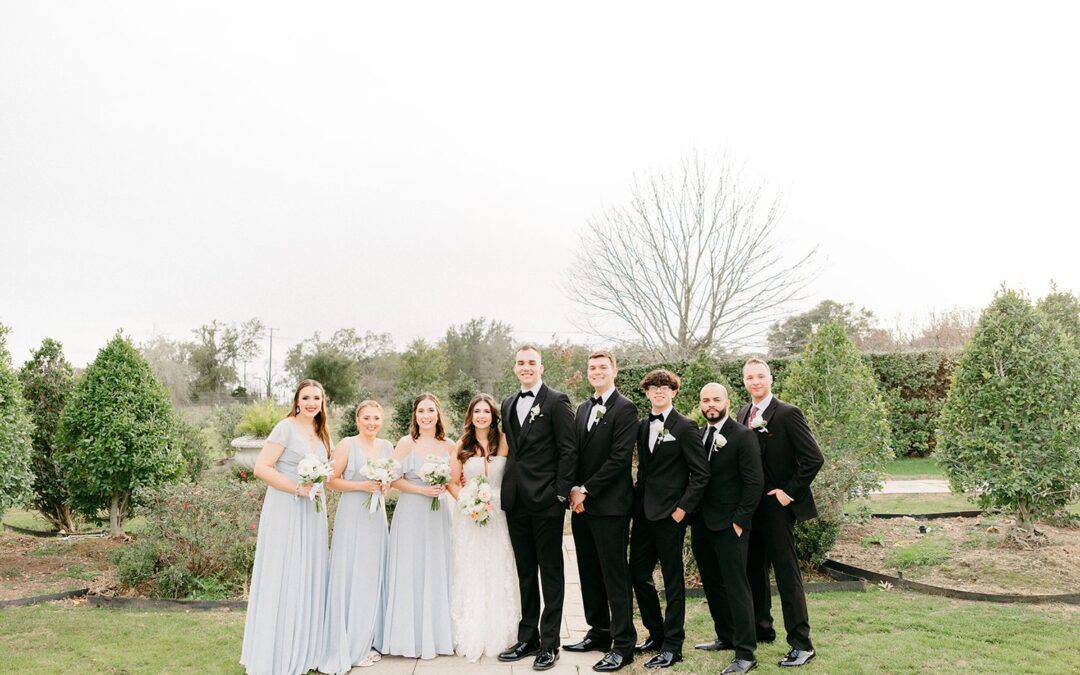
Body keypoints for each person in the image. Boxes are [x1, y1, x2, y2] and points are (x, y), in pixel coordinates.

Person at [240, 379, 331, 675]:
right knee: (285, 571)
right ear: (296, 400)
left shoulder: (321, 432)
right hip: (286, 508)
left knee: (308, 571)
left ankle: (305, 646)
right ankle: (276, 650)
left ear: (322, 403)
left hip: (313, 511)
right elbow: (262, 467)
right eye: (306, 397)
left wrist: (316, 485)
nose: (311, 403)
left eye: (316, 398)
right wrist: (297, 488)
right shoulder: (285, 427)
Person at [739, 358, 824, 668]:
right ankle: (762, 629)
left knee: (787, 574)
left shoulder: (788, 414)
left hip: (776, 507)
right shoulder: (742, 413)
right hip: (750, 509)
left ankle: (802, 643)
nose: (755, 381)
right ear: (744, 381)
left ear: (770, 378)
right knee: (753, 571)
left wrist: (789, 493)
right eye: (750, 377)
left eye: (760, 376)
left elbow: (813, 458)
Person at [497, 345, 577, 671]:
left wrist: (560, 495)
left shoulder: (556, 402)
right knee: (526, 572)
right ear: (514, 368)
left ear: (541, 367)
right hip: (516, 500)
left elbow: (569, 451)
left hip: (546, 501)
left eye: (531, 363)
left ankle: (550, 643)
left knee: (551, 572)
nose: (526, 367)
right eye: (520, 363)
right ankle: (527, 637)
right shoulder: (507, 403)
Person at [629, 369, 710, 670]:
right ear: (647, 392)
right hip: (644, 515)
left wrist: (682, 510)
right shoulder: (641, 427)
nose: (659, 391)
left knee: (674, 582)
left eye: (665, 387)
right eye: (653, 387)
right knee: (637, 573)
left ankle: (673, 646)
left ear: (674, 392)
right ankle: (655, 633)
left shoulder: (686, 427)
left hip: (671, 516)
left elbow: (701, 474)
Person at [566, 350, 638, 672]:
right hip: (581, 507)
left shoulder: (626, 409)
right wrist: (571, 490)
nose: (597, 371)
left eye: (603, 367)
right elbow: (575, 455)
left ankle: (624, 644)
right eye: (592, 368)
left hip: (610, 507)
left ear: (614, 370)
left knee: (614, 575)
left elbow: (620, 458)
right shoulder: (582, 409)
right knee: (589, 572)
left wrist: (587, 489)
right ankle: (599, 631)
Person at [689, 383, 763, 674]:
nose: (710, 405)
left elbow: (754, 482)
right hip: (703, 524)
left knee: (736, 587)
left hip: (730, 525)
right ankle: (726, 636)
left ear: (727, 402)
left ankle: (746, 653)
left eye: (716, 400)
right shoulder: (699, 434)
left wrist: (739, 522)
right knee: (712, 584)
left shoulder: (743, 436)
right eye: (706, 400)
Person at [379, 393, 456, 660]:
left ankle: (437, 635)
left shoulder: (449, 445)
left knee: (436, 566)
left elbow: (455, 480)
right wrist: (420, 491)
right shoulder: (404, 443)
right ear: (415, 414)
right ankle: (406, 637)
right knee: (410, 567)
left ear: (438, 414)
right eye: (421, 411)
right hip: (411, 511)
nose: (426, 415)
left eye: (431, 411)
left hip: (438, 515)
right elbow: (393, 478)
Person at [320, 400, 393, 672]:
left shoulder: (387, 447)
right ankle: (350, 641)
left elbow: (390, 480)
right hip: (352, 515)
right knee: (352, 573)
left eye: (376, 418)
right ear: (357, 420)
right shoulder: (347, 445)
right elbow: (331, 481)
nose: (372, 422)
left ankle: (370, 636)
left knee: (373, 573)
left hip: (376, 517)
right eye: (367, 418)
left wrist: (384, 485)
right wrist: (362, 485)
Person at [447, 393, 520, 662]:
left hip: (500, 513)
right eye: (477, 411)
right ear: (471, 415)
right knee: (473, 568)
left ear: (493, 416)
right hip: (470, 516)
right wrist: (468, 503)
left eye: (486, 411)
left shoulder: (503, 441)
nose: (481, 415)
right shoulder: (462, 444)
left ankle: (504, 631)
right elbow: (452, 482)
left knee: (499, 566)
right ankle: (472, 629)